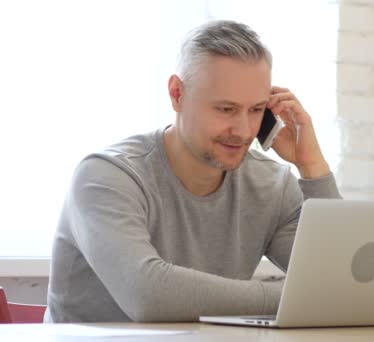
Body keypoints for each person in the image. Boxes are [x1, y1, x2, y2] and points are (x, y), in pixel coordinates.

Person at [45, 20, 341, 323]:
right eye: (225, 109)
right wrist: (292, 298)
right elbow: (148, 295)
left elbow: (341, 282)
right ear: (177, 94)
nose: (242, 131)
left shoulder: (270, 185)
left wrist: (312, 166)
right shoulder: (106, 176)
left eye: (256, 110)